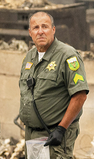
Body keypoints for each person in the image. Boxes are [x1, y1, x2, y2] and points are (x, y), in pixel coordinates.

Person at [19, 12, 89, 159]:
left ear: (53, 30)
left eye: (45, 26)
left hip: (55, 135)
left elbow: (80, 95)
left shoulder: (67, 55)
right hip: (32, 135)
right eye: (36, 28)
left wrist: (61, 129)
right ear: (30, 33)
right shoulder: (29, 56)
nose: (40, 31)